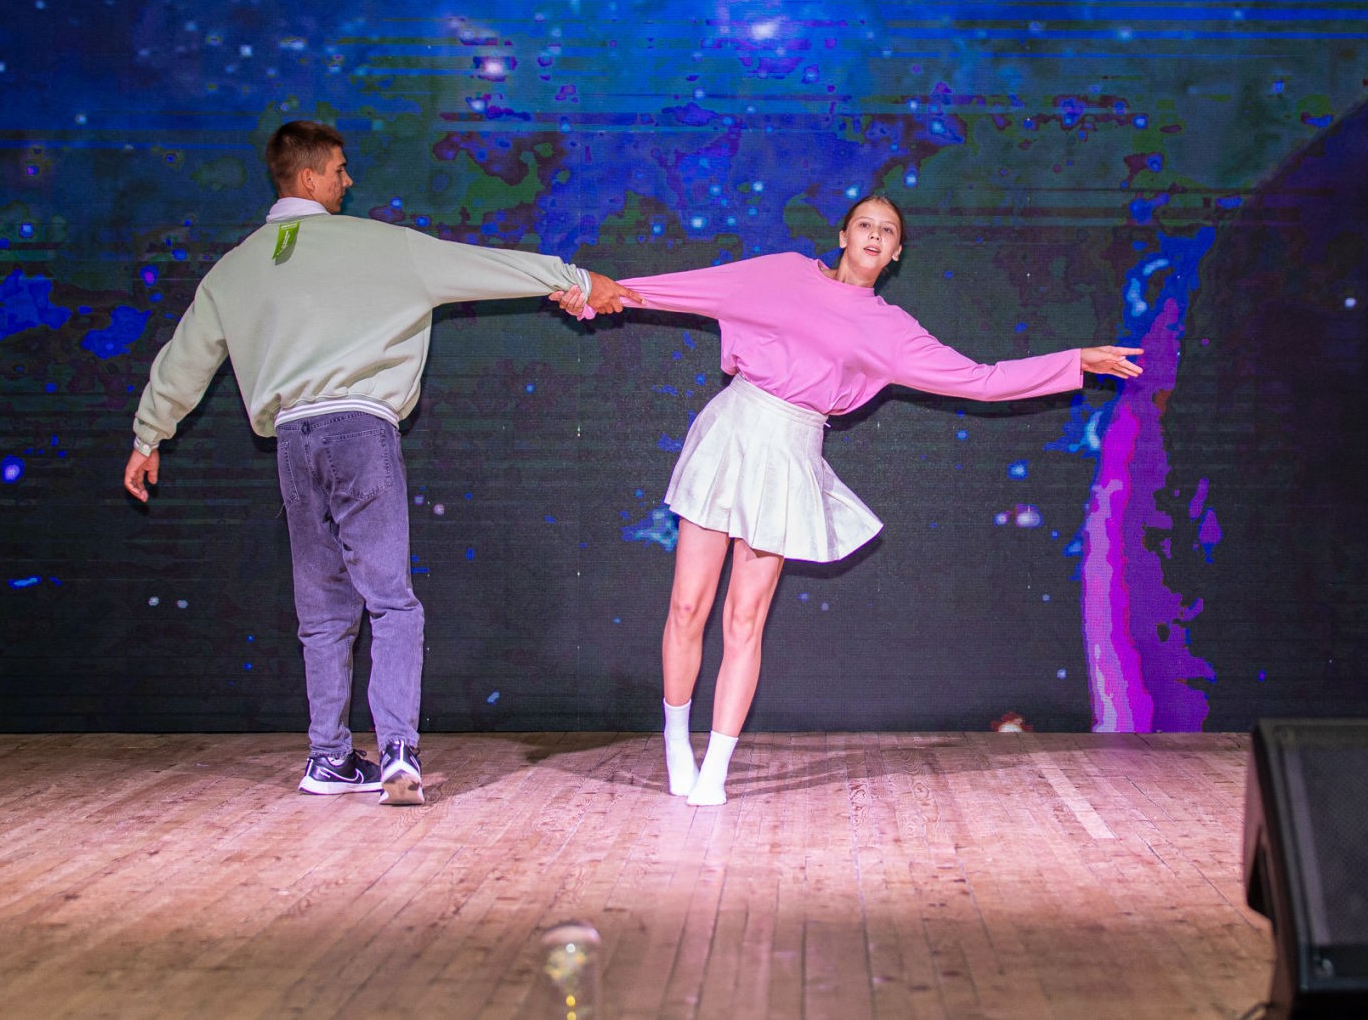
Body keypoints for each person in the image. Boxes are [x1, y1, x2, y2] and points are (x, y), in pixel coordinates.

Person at [564, 195, 1142, 806]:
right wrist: (598, 291)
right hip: (730, 432)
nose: (874, 235)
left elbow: (979, 380)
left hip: (790, 454)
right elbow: (692, 290)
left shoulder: (891, 330)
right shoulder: (783, 273)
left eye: (886, 231)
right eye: (865, 224)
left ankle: (716, 771)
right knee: (686, 606)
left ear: (895, 253)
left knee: (744, 619)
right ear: (843, 235)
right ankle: (677, 742)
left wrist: (1072, 362)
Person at [122, 120, 634, 805]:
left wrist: (149, 435)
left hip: (293, 442)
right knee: (390, 599)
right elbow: (484, 267)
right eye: (338, 169)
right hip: (359, 430)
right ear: (308, 177)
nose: (348, 179)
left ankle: (328, 758)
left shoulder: (235, 267)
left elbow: (185, 357)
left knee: (322, 608)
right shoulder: (380, 245)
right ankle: (396, 751)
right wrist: (575, 280)